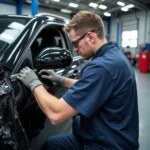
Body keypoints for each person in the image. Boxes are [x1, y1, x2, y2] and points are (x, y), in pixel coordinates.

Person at [17, 11, 139, 150]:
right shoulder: (112, 57)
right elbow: (95, 88)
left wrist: (34, 83)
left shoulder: (101, 67)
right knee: (52, 145)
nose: (74, 49)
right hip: (99, 134)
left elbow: (56, 114)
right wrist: (61, 79)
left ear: (91, 37)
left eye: (75, 43)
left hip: (107, 144)